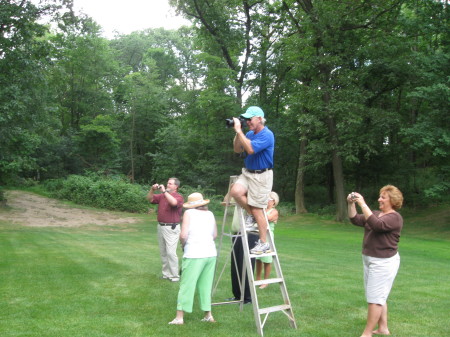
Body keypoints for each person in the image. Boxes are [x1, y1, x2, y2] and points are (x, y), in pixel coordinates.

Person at [347, 185, 404, 337]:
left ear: (392, 200)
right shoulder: (376, 214)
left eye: (383, 197)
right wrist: (351, 203)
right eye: (380, 196)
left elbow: (377, 226)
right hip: (370, 260)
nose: (379, 199)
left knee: (375, 299)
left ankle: (367, 333)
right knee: (378, 296)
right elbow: (355, 219)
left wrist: (363, 203)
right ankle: (383, 328)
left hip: (383, 262)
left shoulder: (395, 217)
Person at [230, 106, 275, 255]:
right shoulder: (249, 133)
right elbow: (238, 150)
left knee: (257, 209)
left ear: (260, 119)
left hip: (262, 176)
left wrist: (239, 131)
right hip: (248, 173)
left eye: (250, 119)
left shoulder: (267, 135)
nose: (248, 121)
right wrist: (239, 132)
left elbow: (250, 150)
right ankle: (251, 215)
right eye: (246, 119)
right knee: (235, 191)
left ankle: (264, 243)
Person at [168, 192, 217, 325]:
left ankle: (179, 318)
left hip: (194, 254)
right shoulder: (210, 214)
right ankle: (208, 315)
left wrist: (184, 246)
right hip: (210, 253)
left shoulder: (189, 214)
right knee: (206, 285)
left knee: (186, 285)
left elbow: (183, 235)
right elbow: (215, 235)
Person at [147, 177, 184, 282]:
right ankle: (166, 274)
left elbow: (173, 203)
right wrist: (152, 190)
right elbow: (150, 199)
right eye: (167, 183)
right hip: (161, 226)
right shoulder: (163, 196)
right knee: (163, 252)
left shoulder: (179, 196)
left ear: (176, 186)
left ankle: (175, 275)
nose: (168, 185)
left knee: (171, 252)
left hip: (171, 228)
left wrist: (164, 191)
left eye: (170, 184)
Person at [255, 191, 279, 289]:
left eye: (268, 199)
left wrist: (259, 214)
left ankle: (266, 281)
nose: (266, 201)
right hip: (259, 235)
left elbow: (267, 218)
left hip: (268, 236)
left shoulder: (274, 211)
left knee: (266, 259)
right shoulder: (262, 209)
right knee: (258, 258)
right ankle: (258, 279)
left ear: (273, 201)